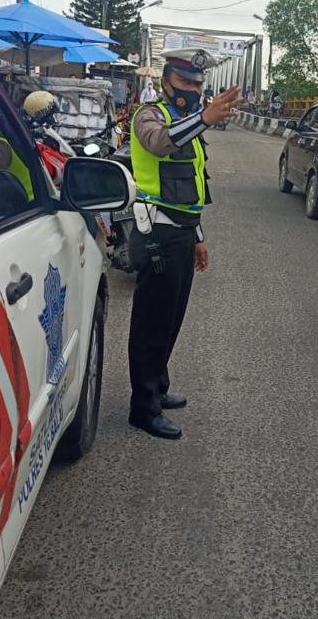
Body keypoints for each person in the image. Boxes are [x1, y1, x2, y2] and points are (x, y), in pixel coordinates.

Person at [127, 48, 241, 439]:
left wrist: (198, 237)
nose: (192, 89)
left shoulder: (187, 124)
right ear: (166, 82)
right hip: (157, 233)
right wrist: (204, 117)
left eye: (197, 83)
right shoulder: (150, 116)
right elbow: (159, 144)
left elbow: (191, 186)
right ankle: (143, 408)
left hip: (181, 231)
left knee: (171, 318)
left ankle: (157, 388)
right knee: (152, 323)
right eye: (184, 82)